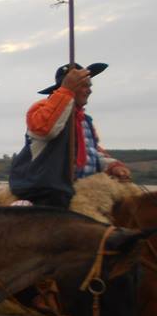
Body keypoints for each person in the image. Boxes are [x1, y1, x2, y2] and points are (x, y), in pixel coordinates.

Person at [9, 63, 130, 208]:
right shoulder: (41, 109)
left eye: (90, 85)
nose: (89, 91)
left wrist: (112, 166)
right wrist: (66, 91)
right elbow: (46, 130)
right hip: (48, 187)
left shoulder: (84, 119)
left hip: (82, 185)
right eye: (84, 85)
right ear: (70, 86)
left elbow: (90, 151)